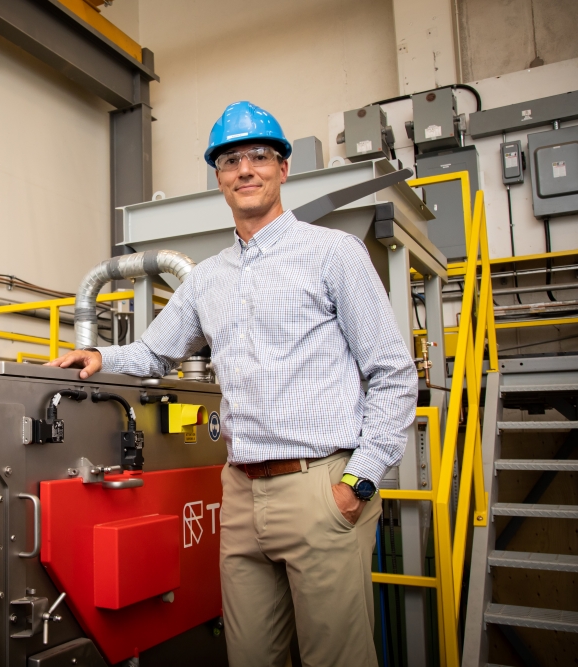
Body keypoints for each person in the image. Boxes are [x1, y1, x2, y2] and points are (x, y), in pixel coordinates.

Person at [48, 101, 417, 667]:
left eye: (258, 156)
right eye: (230, 160)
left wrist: (357, 483)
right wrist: (97, 355)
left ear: (282, 168)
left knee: (336, 660)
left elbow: (391, 373)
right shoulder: (209, 278)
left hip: (320, 486)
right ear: (219, 177)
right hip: (242, 496)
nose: (245, 169)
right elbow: (155, 351)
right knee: (249, 658)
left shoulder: (334, 254)